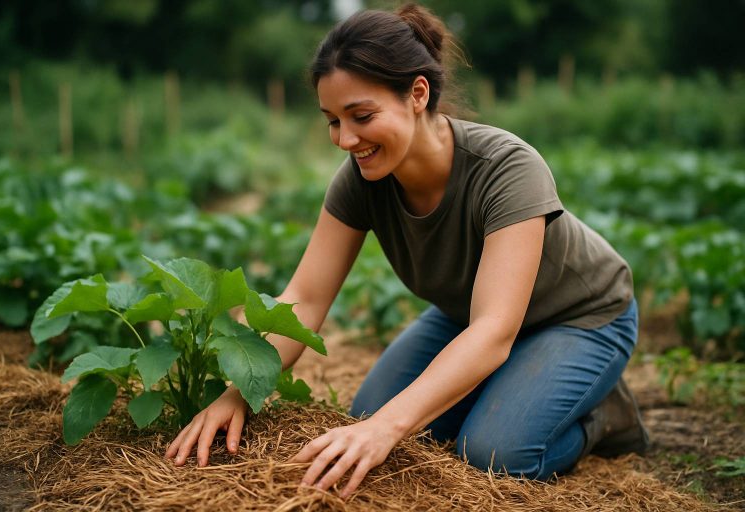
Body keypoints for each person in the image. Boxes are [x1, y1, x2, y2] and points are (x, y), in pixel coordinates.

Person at [165, 3, 650, 499]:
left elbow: (494, 330)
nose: (346, 139)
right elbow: (305, 299)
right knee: (367, 417)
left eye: (362, 115)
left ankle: (600, 417)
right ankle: (513, 383)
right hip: (468, 315)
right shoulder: (359, 181)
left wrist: (388, 429)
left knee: (494, 454)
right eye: (332, 120)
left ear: (418, 94)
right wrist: (241, 392)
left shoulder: (507, 169)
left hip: (578, 315)